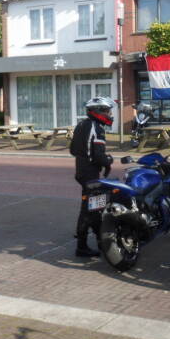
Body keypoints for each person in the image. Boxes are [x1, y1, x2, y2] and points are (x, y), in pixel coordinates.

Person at [70, 96, 115, 257]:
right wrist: (108, 161)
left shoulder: (81, 124)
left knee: (94, 207)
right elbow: (98, 156)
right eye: (107, 111)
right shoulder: (97, 128)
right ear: (98, 111)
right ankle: (82, 247)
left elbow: (73, 150)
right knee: (91, 210)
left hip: (82, 171)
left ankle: (100, 241)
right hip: (90, 174)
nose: (109, 114)